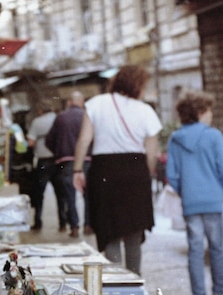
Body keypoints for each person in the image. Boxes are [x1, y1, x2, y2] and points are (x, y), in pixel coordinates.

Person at [73, 65, 162, 275]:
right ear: (137, 85)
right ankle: (134, 282)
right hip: (135, 171)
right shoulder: (145, 110)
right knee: (133, 233)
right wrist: (146, 174)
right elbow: (152, 152)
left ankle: (114, 284)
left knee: (108, 229)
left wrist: (77, 170)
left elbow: (84, 140)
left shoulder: (96, 103)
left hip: (103, 171)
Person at [165, 90, 223, 295]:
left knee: (195, 250)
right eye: (209, 110)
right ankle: (219, 294)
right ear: (201, 112)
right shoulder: (214, 136)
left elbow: (172, 174)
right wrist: (218, 190)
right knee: (217, 247)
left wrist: (186, 192)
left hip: (191, 202)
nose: (211, 114)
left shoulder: (176, 138)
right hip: (212, 200)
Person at [46, 91, 91, 238]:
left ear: (69, 102)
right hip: (86, 160)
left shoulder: (61, 118)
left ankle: (74, 227)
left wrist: (59, 153)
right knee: (88, 195)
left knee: (69, 196)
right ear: (82, 101)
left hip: (66, 161)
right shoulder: (88, 116)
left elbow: (49, 140)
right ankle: (88, 225)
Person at [27, 104, 67, 231]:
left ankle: (38, 222)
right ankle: (63, 223)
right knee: (60, 193)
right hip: (58, 160)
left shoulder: (37, 122)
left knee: (39, 193)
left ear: (40, 111)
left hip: (43, 161)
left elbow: (31, 142)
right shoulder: (59, 119)